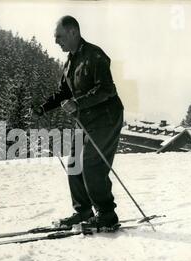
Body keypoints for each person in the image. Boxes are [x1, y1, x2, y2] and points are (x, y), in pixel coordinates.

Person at [32, 15, 124, 229]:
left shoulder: (95, 55)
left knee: (92, 163)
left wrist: (78, 103)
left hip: (106, 118)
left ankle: (107, 215)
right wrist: (42, 108)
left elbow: (107, 89)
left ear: (73, 32)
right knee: (75, 163)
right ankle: (83, 211)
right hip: (85, 119)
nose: (56, 41)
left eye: (59, 36)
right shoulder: (69, 63)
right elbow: (63, 92)